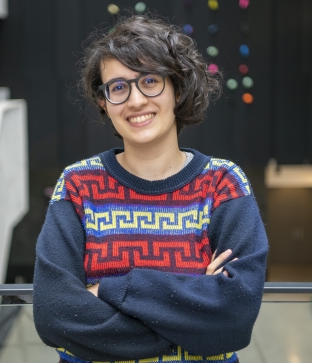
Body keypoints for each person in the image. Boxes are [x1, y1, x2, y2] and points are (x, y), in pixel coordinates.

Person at [33, 13, 268, 363]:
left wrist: (109, 291)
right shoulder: (78, 185)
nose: (136, 100)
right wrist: (193, 319)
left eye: (150, 81)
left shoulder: (223, 183)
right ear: (104, 102)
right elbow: (54, 314)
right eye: (118, 87)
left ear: (177, 87)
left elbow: (235, 315)